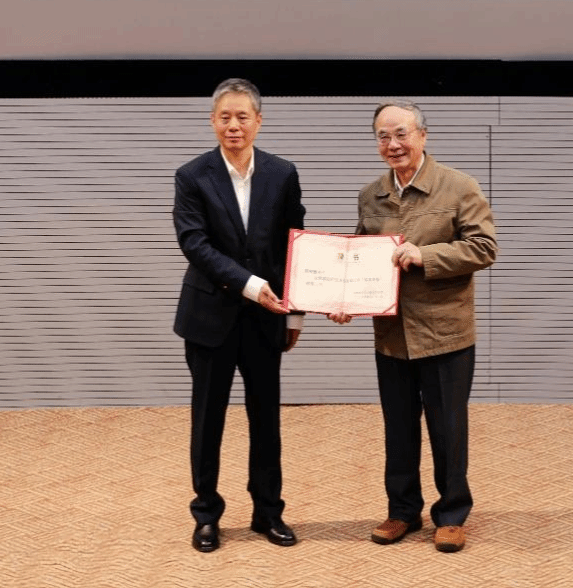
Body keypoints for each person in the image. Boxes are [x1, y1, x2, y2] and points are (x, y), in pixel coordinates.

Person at [329, 100, 497, 553]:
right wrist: (343, 299)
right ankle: (402, 510)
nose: (393, 144)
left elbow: (484, 247)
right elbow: (359, 257)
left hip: (445, 333)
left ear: (423, 135)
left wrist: (427, 255)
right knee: (398, 428)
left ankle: (452, 514)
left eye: (401, 133)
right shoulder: (371, 195)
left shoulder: (459, 187)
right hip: (392, 335)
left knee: (448, 429)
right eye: (383, 136)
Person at [172, 78, 306, 553]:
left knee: (266, 420)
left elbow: (295, 244)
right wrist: (250, 285)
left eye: (242, 116)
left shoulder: (282, 173)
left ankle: (268, 512)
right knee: (207, 419)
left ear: (258, 122)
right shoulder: (192, 175)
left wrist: (295, 312)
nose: (234, 125)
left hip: (267, 319)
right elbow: (194, 243)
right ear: (213, 121)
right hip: (209, 318)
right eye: (225, 117)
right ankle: (206, 514)